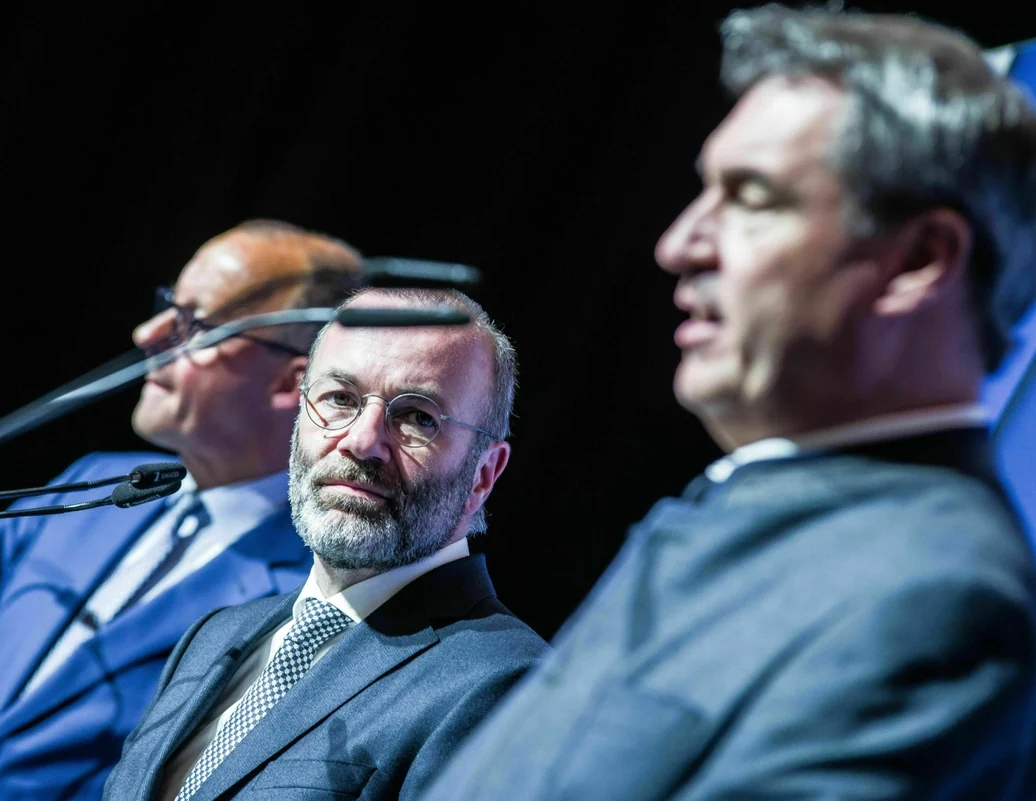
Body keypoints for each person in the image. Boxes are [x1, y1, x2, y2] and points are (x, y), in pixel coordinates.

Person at [421, 6, 1036, 800]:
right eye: (705, 189)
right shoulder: (747, 509)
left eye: (752, 197)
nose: (679, 244)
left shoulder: (934, 598)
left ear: (919, 259)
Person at [0, 219, 362, 800]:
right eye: (167, 305)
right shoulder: (94, 487)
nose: (147, 334)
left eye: (194, 324)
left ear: (290, 383)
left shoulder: (308, 596)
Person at [102, 287, 547, 801]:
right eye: (340, 399)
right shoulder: (215, 636)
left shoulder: (505, 683)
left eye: (418, 417)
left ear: (484, 473)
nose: (361, 441)